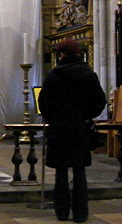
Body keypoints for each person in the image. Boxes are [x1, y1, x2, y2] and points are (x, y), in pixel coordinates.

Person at [39, 38, 106, 223]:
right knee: (79, 171)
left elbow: (43, 103)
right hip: (80, 128)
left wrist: (54, 117)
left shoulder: (54, 75)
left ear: (61, 54)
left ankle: (61, 212)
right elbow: (100, 101)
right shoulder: (88, 74)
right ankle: (80, 213)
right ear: (78, 53)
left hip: (60, 129)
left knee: (61, 172)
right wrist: (86, 115)